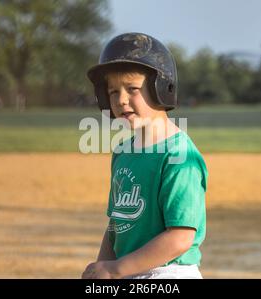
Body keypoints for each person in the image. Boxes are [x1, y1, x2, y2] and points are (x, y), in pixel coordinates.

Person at [81, 33, 208, 279]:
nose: (121, 100)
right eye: (113, 91)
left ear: (161, 88)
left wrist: (115, 269)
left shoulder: (179, 154)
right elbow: (116, 224)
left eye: (132, 89)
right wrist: (103, 268)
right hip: (128, 270)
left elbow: (181, 237)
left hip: (168, 273)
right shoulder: (122, 152)